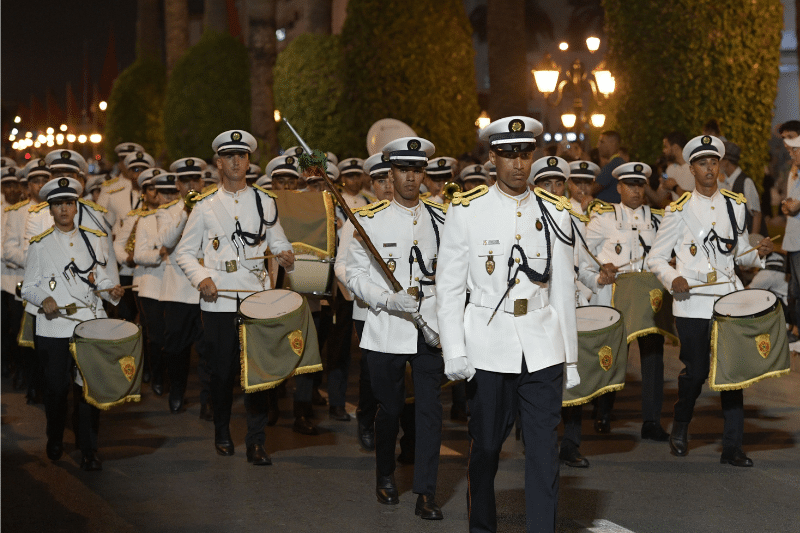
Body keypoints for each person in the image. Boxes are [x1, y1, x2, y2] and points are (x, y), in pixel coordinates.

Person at [437, 116, 579, 533]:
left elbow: (564, 292)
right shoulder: (466, 211)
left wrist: (569, 360)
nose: (519, 164)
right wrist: (454, 350)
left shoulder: (556, 213)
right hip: (487, 346)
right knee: (485, 451)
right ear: (492, 157)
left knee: (543, 453)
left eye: (526, 154)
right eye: (510, 154)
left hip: (541, 346)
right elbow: (448, 288)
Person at [648, 135, 773, 467]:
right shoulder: (678, 210)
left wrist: (756, 253)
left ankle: (732, 447)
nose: (709, 169)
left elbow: (740, 254)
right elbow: (656, 258)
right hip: (692, 300)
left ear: (720, 165)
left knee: (733, 371)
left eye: (713, 162)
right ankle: (681, 423)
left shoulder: (734, 204)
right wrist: (671, 277)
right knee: (697, 371)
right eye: (702, 163)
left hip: (727, 299)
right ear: (691, 168)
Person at [175, 129, 295, 466]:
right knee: (223, 372)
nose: (236, 161)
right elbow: (184, 254)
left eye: (241, 155)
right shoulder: (204, 207)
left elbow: (278, 240)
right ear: (218, 163)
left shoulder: (265, 201)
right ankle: (223, 430)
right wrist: (203, 278)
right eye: (230, 156)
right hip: (219, 301)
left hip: (256, 299)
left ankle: (257, 440)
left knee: (258, 372)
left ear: (248, 161)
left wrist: (285, 254)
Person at [345, 136, 446, 520]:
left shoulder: (442, 218)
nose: (410, 178)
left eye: (417, 170)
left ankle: (426, 492)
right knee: (389, 409)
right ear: (390, 174)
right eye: (403, 170)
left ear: (423, 173)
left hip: (429, 327)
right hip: (387, 328)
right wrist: (386, 300)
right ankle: (385, 473)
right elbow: (353, 275)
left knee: (430, 411)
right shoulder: (368, 221)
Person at [21, 177, 124, 471]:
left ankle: (89, 447)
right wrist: (44, 299)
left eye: (69, 203)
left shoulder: (93, 238)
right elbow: (28, 287)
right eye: (57, 205)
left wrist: (111, 290)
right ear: (50, 210)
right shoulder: (40, 245)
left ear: (76, 206)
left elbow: (98, 277)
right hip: (54, 326)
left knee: (89, 388)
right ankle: (54, 434)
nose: (64, 209)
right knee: (55, 389)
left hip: (88, 324)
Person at [584, 162, 669, 440]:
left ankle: (652, 421)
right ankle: (604, 411)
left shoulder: (659, 219)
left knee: (654, 357)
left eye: (640, 185)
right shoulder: (605, 217)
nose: (635, 190)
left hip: (649, 296)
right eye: (630, 185)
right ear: (619, 187)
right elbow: (582, 252)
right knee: (613, 354)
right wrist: (601, 267)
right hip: (618, 296)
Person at [160, 157, 209, 415]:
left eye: (195, 179)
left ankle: (207, 400)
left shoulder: (213, 207)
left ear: (203, 181)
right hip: (178, 291)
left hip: (205, 291)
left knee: (207, 349)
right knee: (176, 348)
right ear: (177, 184)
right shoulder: (167, 211)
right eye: (185, 180)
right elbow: (166, 241)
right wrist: (185, 212)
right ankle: (177, 390)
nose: (191, 185)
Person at [131, 169, 167, 401]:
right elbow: (136, 254)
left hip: (177, 284)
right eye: (152, 188)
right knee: (154, 334)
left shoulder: (179, 216)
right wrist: (159, 254)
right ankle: (157, 376)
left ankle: (170, 376)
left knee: (173, 334)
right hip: (150, 283)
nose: (158, 194)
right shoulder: (143, 219)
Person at [720, 141, 761, 233]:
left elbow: (757, 214)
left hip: (746, 238)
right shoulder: (724, 181)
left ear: (726, 162)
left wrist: (753, 241)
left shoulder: (746, 182)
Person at [592, 130, 625, 203]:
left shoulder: (614, 165)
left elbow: (593, 189)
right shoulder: (618, 162)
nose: (598, 145)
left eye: (602, 142)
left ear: (613, 143)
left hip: (607, 211)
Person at [661, 131, 694, 201]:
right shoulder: (670, 169)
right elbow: (658, 199)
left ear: (675, 147)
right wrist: (645, 186)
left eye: (666, 147)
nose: (663, 150)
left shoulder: (696, 167)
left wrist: (675, 187)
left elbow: (701, 199)